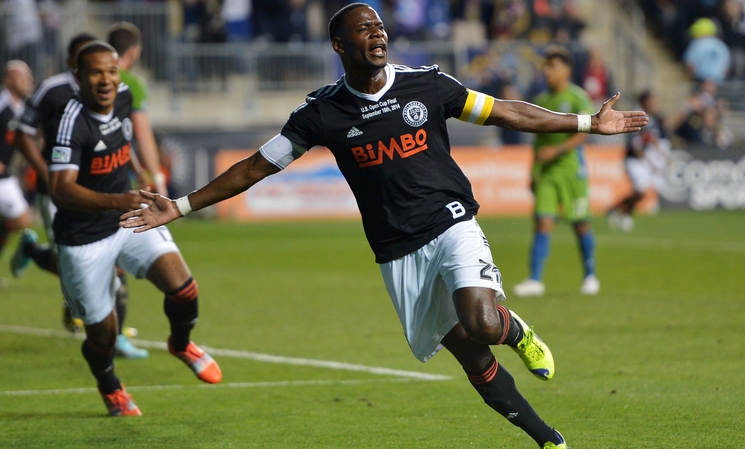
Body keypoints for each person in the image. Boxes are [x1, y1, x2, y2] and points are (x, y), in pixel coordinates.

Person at [120, 4, 646, 445]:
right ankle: (549, 439)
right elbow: (256, 167)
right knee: (468, 350)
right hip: (397, 249)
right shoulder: (320, 114)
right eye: (364, 29)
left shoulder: (427, 85)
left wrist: (586, 123)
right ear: (339, 46)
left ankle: (517, 329)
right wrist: (182, 205)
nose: (378, 34)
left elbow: (507, 112)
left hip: (452, 221)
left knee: (484, 323)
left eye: (380, 26)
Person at [45, 41, 222, 416]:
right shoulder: (71, 121)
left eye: (112, 71)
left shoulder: (124, 96)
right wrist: (115, 200)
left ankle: (181, 343)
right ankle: (110, 386)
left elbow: (128, 137)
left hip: (128, 218)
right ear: (79, 77)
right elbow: (60, 190)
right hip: (82, 240)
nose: (107, 80)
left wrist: (143, 171)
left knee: (185, 289)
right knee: (103, 334)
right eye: (96, 72)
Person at [11, 32, 150, 359]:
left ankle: (114, 332)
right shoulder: (52, 90)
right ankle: (36, 254)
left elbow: (116, 131)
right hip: (60, 192)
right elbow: (22, 133)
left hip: (105, 192)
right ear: (74, 65)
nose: (101, 74)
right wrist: (48, 172)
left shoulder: (113, 91)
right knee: (69, 261)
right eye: (86, 63)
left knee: (112, 259)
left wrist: (136, 167)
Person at [513, 46, 599, 298]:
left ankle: (590, 275)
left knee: (580, 224)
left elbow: (585, 133)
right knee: (542, 222)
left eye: (553, 66)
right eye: (546, 66)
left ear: (567, 70)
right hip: (548, 173)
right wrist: (533, 171)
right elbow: (538, 144)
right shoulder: (541, 102)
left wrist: (558, 150)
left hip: (572, 170)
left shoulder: (577, 97)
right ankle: (535, 280)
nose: (548, 71)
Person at [106, 22, 168, 197]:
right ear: (133, 51)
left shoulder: (92, 78)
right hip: (119, 169)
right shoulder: (133, 84)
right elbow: (142, 134)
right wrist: (157, 177)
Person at [607, 91, 671, 232]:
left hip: (642, 160)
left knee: (640, 192)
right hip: (633, 159)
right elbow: (635, 144)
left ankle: (617, 209)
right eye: (651, 101)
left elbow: (652, 139)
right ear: (643, 102)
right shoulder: (636, 117)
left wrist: (663, 157)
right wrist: (650, 162)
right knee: (641, 191)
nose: (654, 104)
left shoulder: (651, 119)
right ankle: (623, 213)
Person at [0, 61, 35, 259]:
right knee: (23, 219)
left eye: (29, 77)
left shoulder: (21, 107)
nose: (28, 81)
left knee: (22, 220)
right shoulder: (2, 106)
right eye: (23, 78)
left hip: (6, 174)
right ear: (8, 81)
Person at [683, 18, 731, 83]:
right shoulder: (722, 46)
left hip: (700, 81)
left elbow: (689, 65)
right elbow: (726, 69)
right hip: (718, 83)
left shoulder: (696, 44)